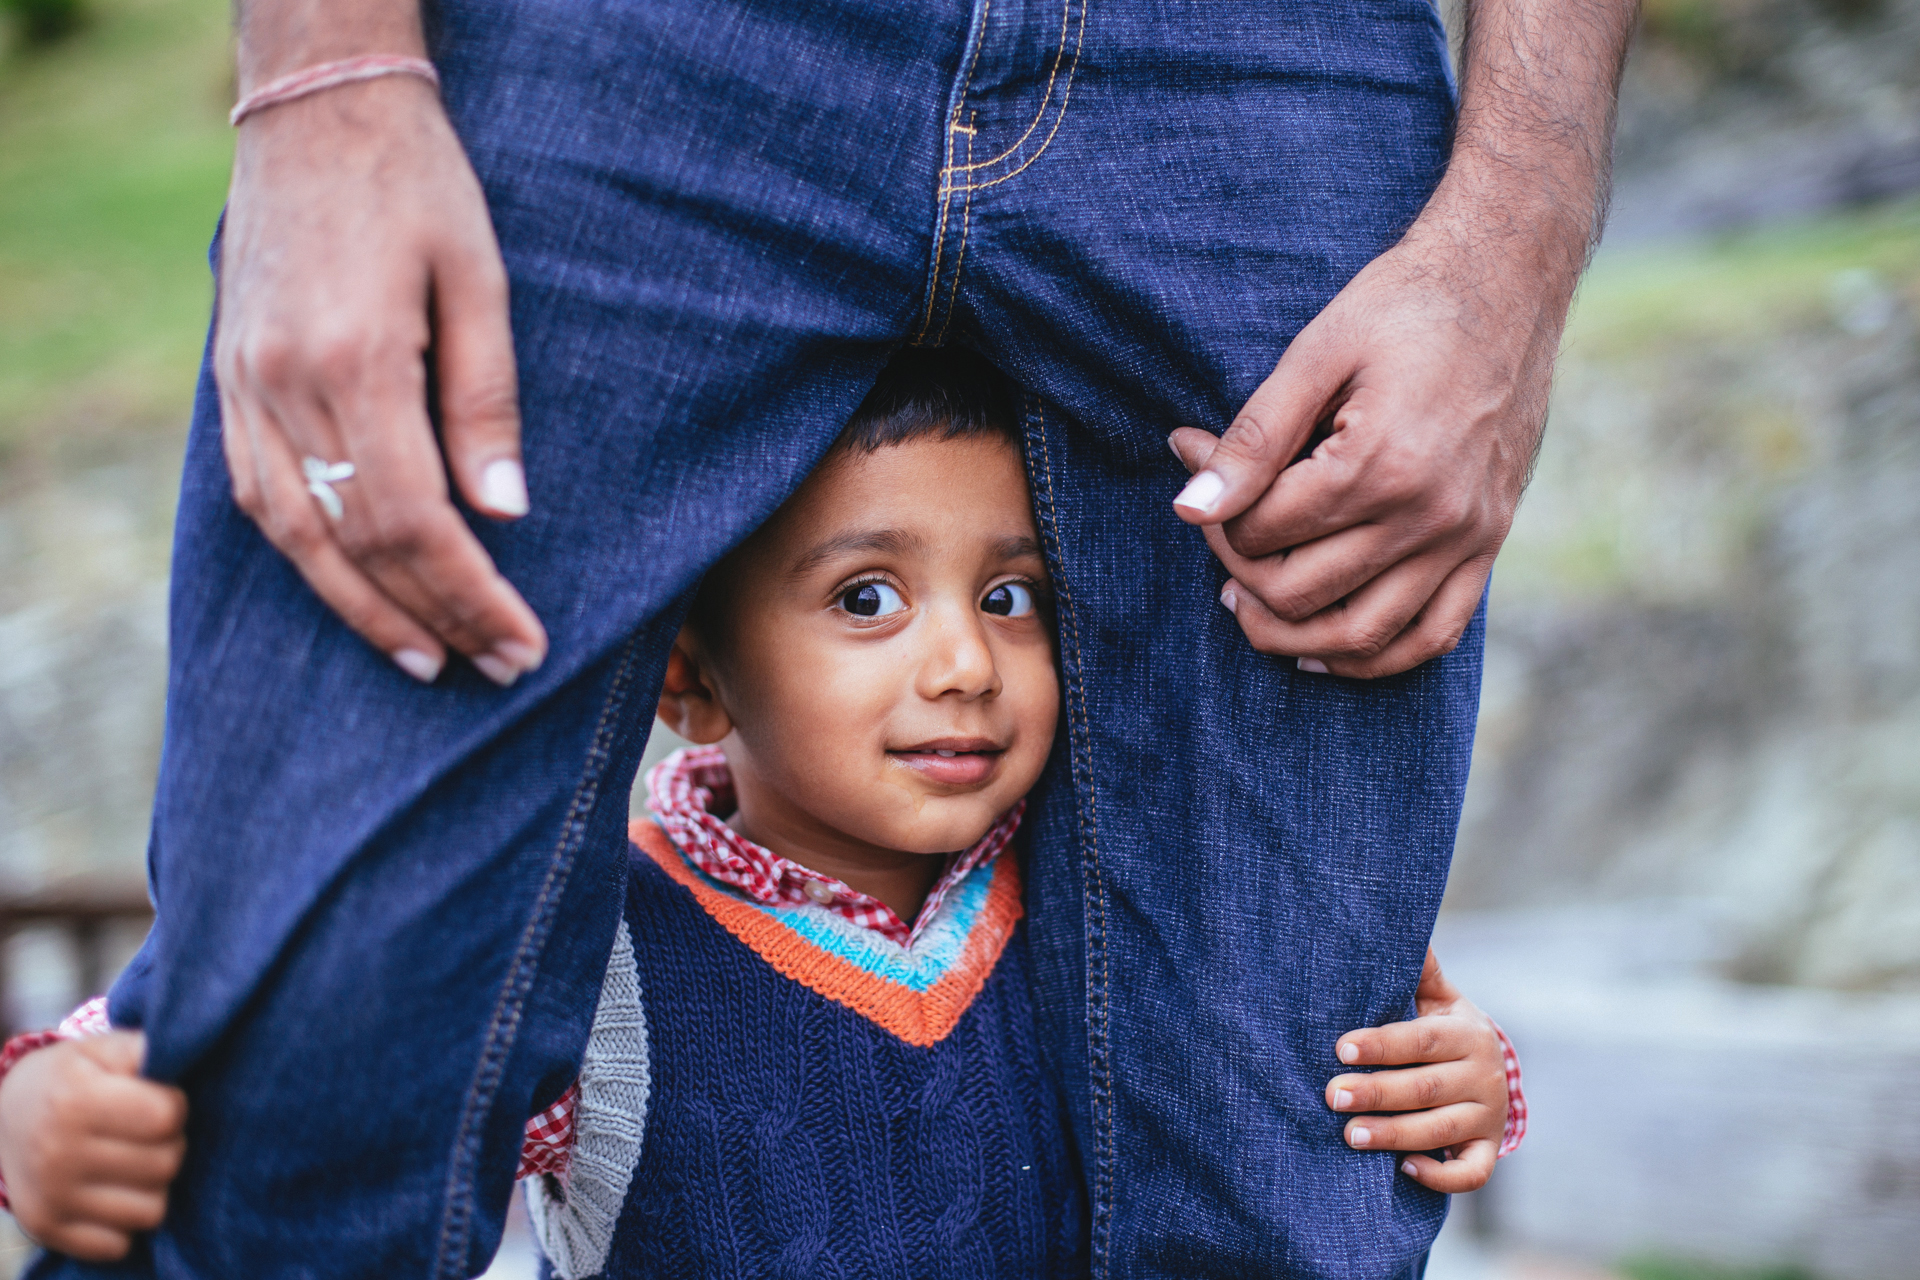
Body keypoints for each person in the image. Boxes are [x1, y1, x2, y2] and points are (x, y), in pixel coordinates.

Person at [0, 352, 1524, 1272]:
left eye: (1013, 596)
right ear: (689, 681)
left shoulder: (1113, 898)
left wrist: (1458, 1087)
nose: (964, 664)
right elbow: (318, 1056)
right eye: (867, 598)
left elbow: (1328, 1100)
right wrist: (42, 1106)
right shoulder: (593, 941)